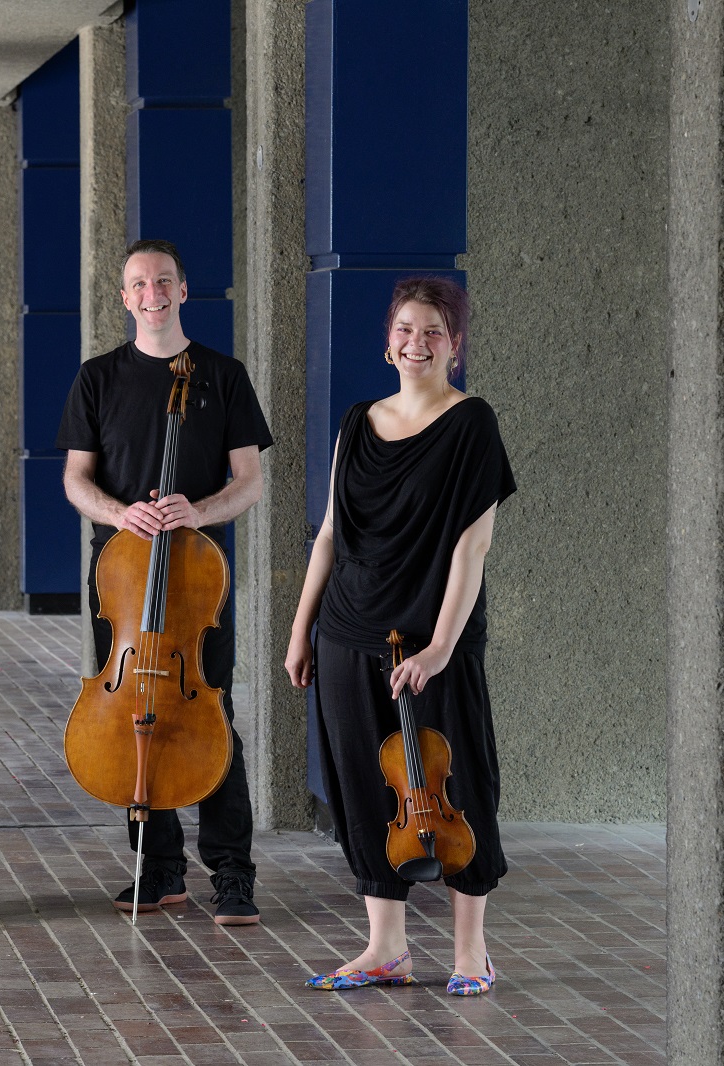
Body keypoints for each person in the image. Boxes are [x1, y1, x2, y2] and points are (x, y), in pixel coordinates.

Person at [284, 275, 515, 993]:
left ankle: (471, 953)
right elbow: (329, 535)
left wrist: (439, 648)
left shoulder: (472, 423)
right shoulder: (358, 422)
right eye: (406, 330)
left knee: (458, 784)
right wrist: (301, 631)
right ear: (388, 342)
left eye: (434, 331)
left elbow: (472, 547)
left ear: (455, 345)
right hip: (348, 630)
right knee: (364, 784)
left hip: (431, 634)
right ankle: (386, 947)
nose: (418, 343)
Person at [57, 239, 274, 925]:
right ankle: (158, 867)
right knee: (132, 713)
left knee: (212, 718)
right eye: (139, 284)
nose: (151, 293)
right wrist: (123, 514)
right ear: (125, 298)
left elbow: (250, 481)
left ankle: (232, 872)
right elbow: (75, 480)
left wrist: (197, 512)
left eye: (163, 282)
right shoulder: (97, 378)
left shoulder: (224, 375)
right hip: (121, 581)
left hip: (196, 584)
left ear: (183, 290)